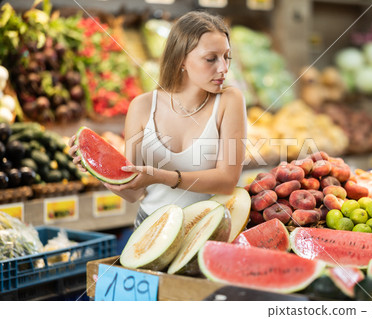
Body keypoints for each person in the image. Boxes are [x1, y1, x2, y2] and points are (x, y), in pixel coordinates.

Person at [68, 11, 247, 228]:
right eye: (211, 59)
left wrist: (162, 176)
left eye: (226, 57)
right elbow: (133, 193)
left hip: (206, 228)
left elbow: (227, 181)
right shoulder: (142, 107)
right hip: (150, 226)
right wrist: (97, 166)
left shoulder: (230, 99)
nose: (223, 68)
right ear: (181, 59)